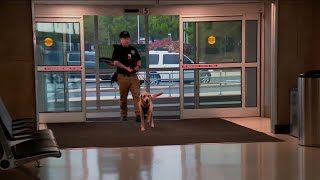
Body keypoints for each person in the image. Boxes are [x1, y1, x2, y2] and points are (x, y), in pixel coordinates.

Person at [112, 31, 142, 122]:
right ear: (120, 39)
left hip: (133, 76)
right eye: (124, 39)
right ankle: (123, 114)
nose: (126, 40)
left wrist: (137, 66)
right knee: (123, 98)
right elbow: (115, 62)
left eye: (128, 38)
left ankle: (138, 114)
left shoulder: (133, 49)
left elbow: (139, 60)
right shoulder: (117, 49)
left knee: (137, 96)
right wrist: (126, 68)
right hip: (122, 76)